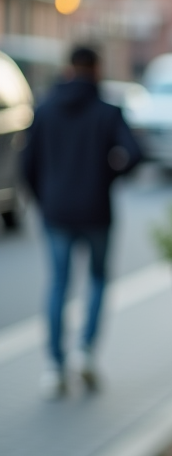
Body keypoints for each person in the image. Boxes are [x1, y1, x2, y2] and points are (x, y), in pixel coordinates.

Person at [20, 46, 143, 399]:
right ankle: (85, 352)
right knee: (98, 280)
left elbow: (28, 165)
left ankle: (55, 366)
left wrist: (45, 199)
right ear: (96, 69)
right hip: (95, 210)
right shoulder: (107, 112)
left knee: (58, 284)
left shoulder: (44, 111)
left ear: (69, 69)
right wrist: (107, 174)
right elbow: (134, 154)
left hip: (56, 211)